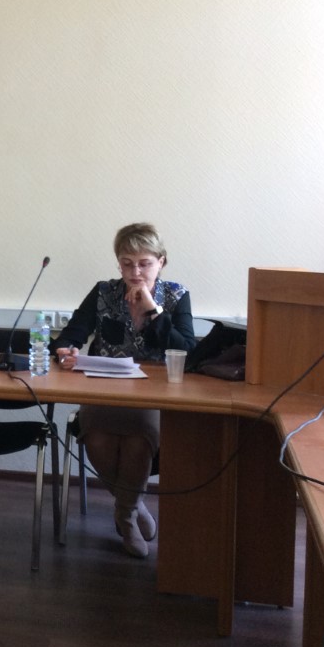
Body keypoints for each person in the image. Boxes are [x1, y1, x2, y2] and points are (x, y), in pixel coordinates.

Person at [54, 223, 195, 559]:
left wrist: (153, 311)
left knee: (138, 439)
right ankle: (131, 506)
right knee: (97, 438)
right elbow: (71, 335)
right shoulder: (104, 292)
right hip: (103, 388)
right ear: (118, 263)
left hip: (152, 394)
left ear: (161, 262)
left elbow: (188, 351)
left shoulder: (176, 295)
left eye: (145, 263)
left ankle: (126, 515)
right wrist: (66, 349)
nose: (135, 272)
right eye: (127, 263)